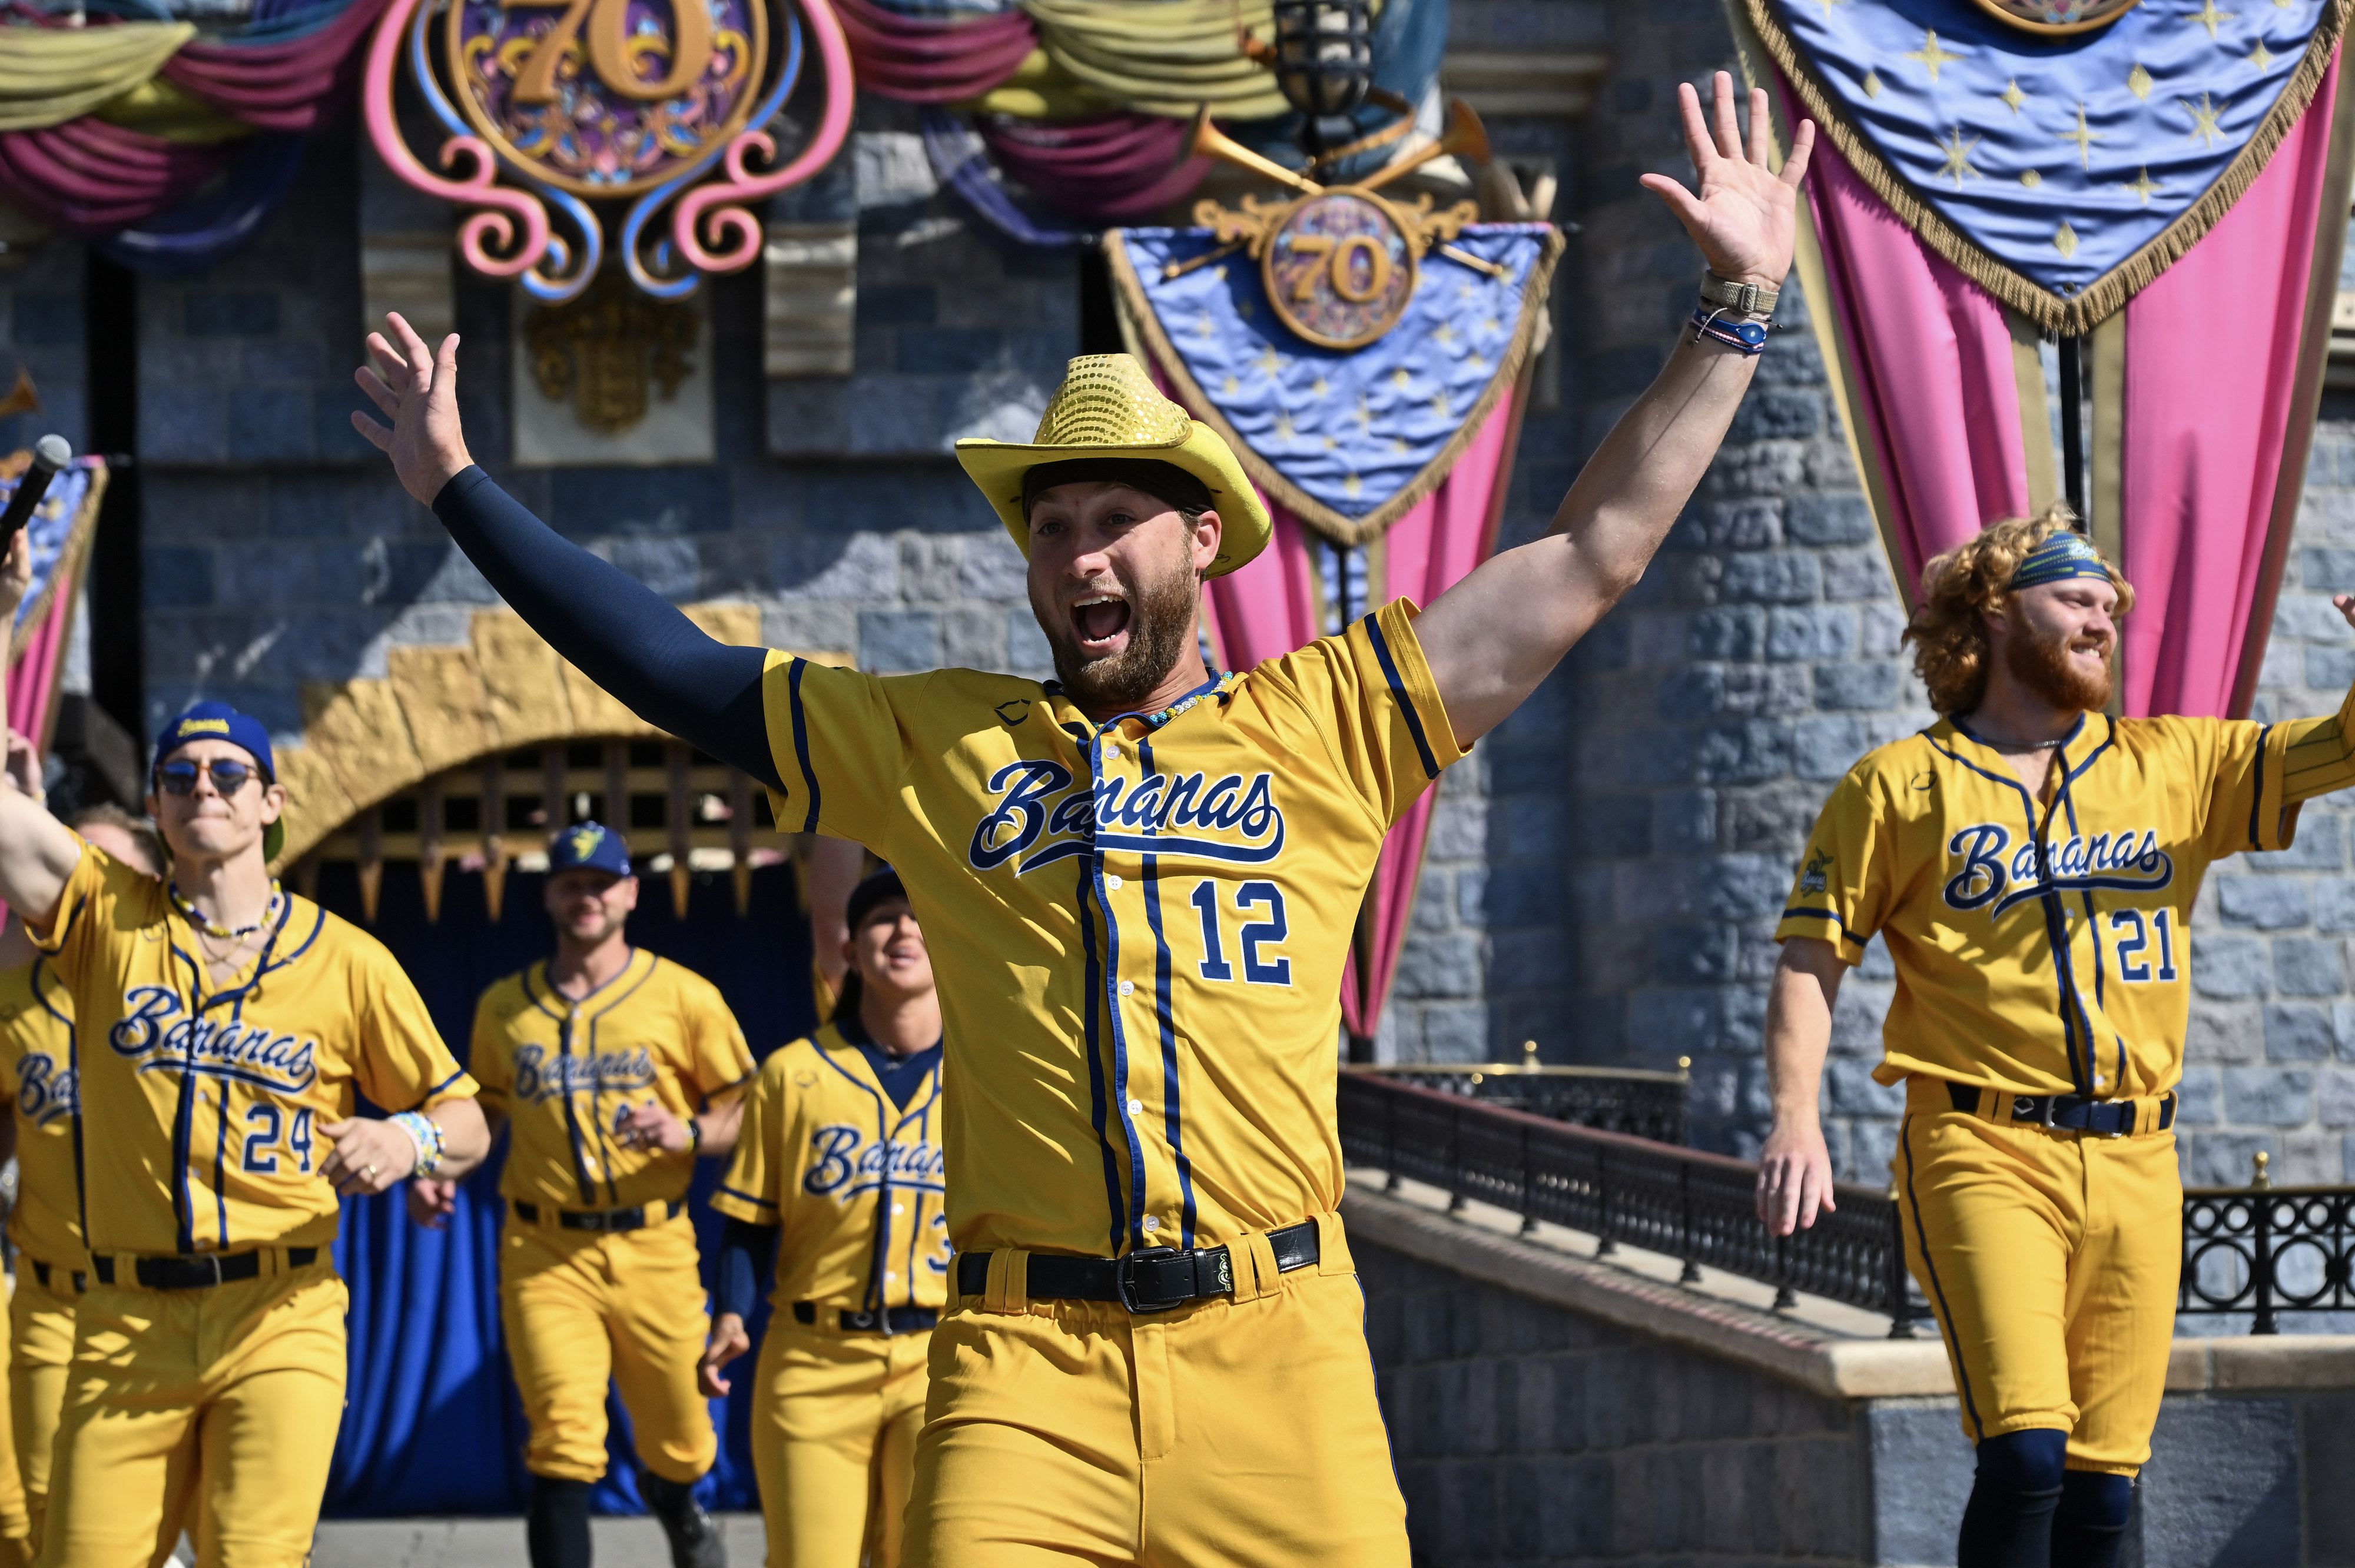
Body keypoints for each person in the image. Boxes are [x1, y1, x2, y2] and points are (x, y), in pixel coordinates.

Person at [353, 71, 1813, 1566]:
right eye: (1049, 528)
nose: (1074, 554)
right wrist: (459, 487)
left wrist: (1735, 306)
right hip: (1016, 1373)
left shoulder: (1328, 716)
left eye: (1111, 518)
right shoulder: (942, 738)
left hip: (1278, 1356)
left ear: (1199, 537)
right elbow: (677, 669)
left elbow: (1591, 551)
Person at [1756, 511, 2355, 1568]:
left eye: (2112, 605)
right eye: (2077, 596)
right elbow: (1813, 954)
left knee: (2104, 1489)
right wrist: (1796, 1116)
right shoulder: (1898, 782)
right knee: (2027, 1450)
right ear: (1995, 609)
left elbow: (2340, 749)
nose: (2105, 616)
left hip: (2138, 1157)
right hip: (1983, 1147)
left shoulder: (2174, 761)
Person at [0, 530, 492, 1568]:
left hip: (281, 1310)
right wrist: (3, 616)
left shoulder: (349, 958)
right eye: (179, 774)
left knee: (253, 1556)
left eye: (231, 771)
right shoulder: (105, 920)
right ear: (158, 809)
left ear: (271, 804)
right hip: (121, 1318)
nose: (203, 786)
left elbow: (466, 1117)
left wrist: (406, 1137)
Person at [412, 820, 754, 1568]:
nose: (587, 896)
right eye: (572, 883)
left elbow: (753, 1108)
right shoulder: (507, 1006)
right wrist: (439, 1169)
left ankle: (676, 1500)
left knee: (682, 1439)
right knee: (561, 1441)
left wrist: (689, 1132)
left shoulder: (683, 996)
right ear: (550, 896)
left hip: (653, 1242)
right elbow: (485, 1110)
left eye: (602, 883)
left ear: (630, 892)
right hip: (544, 1247)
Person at [700, 867, 946, 1568]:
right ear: (849, 948)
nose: (901, 930)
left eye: (916, 914)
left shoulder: (982, 1074)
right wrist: (729, 1316)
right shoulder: (791, 1074)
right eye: (880, 919)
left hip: (944, 1357)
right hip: (813, 1359)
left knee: (932, 1555)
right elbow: (751, 1218)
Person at [0, 799, 165, 1563]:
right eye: (69, 864)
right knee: (40, 1523)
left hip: (164, 1304)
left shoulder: (187, 1006)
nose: (81, 884)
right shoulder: (15, 1008)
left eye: (105, 867)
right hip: (54, 1297)